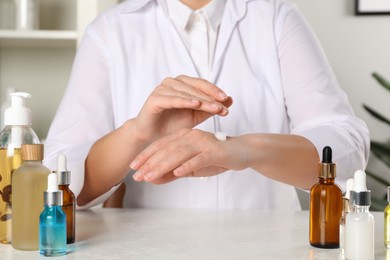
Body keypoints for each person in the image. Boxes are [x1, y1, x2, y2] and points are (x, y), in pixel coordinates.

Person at [44, 0, 369, 210]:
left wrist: (244, 149)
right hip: (146, 250)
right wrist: (136, 135)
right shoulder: (110, 30)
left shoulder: (276, 17)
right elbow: (58, 179)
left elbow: (346, 150)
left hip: (269, 248)